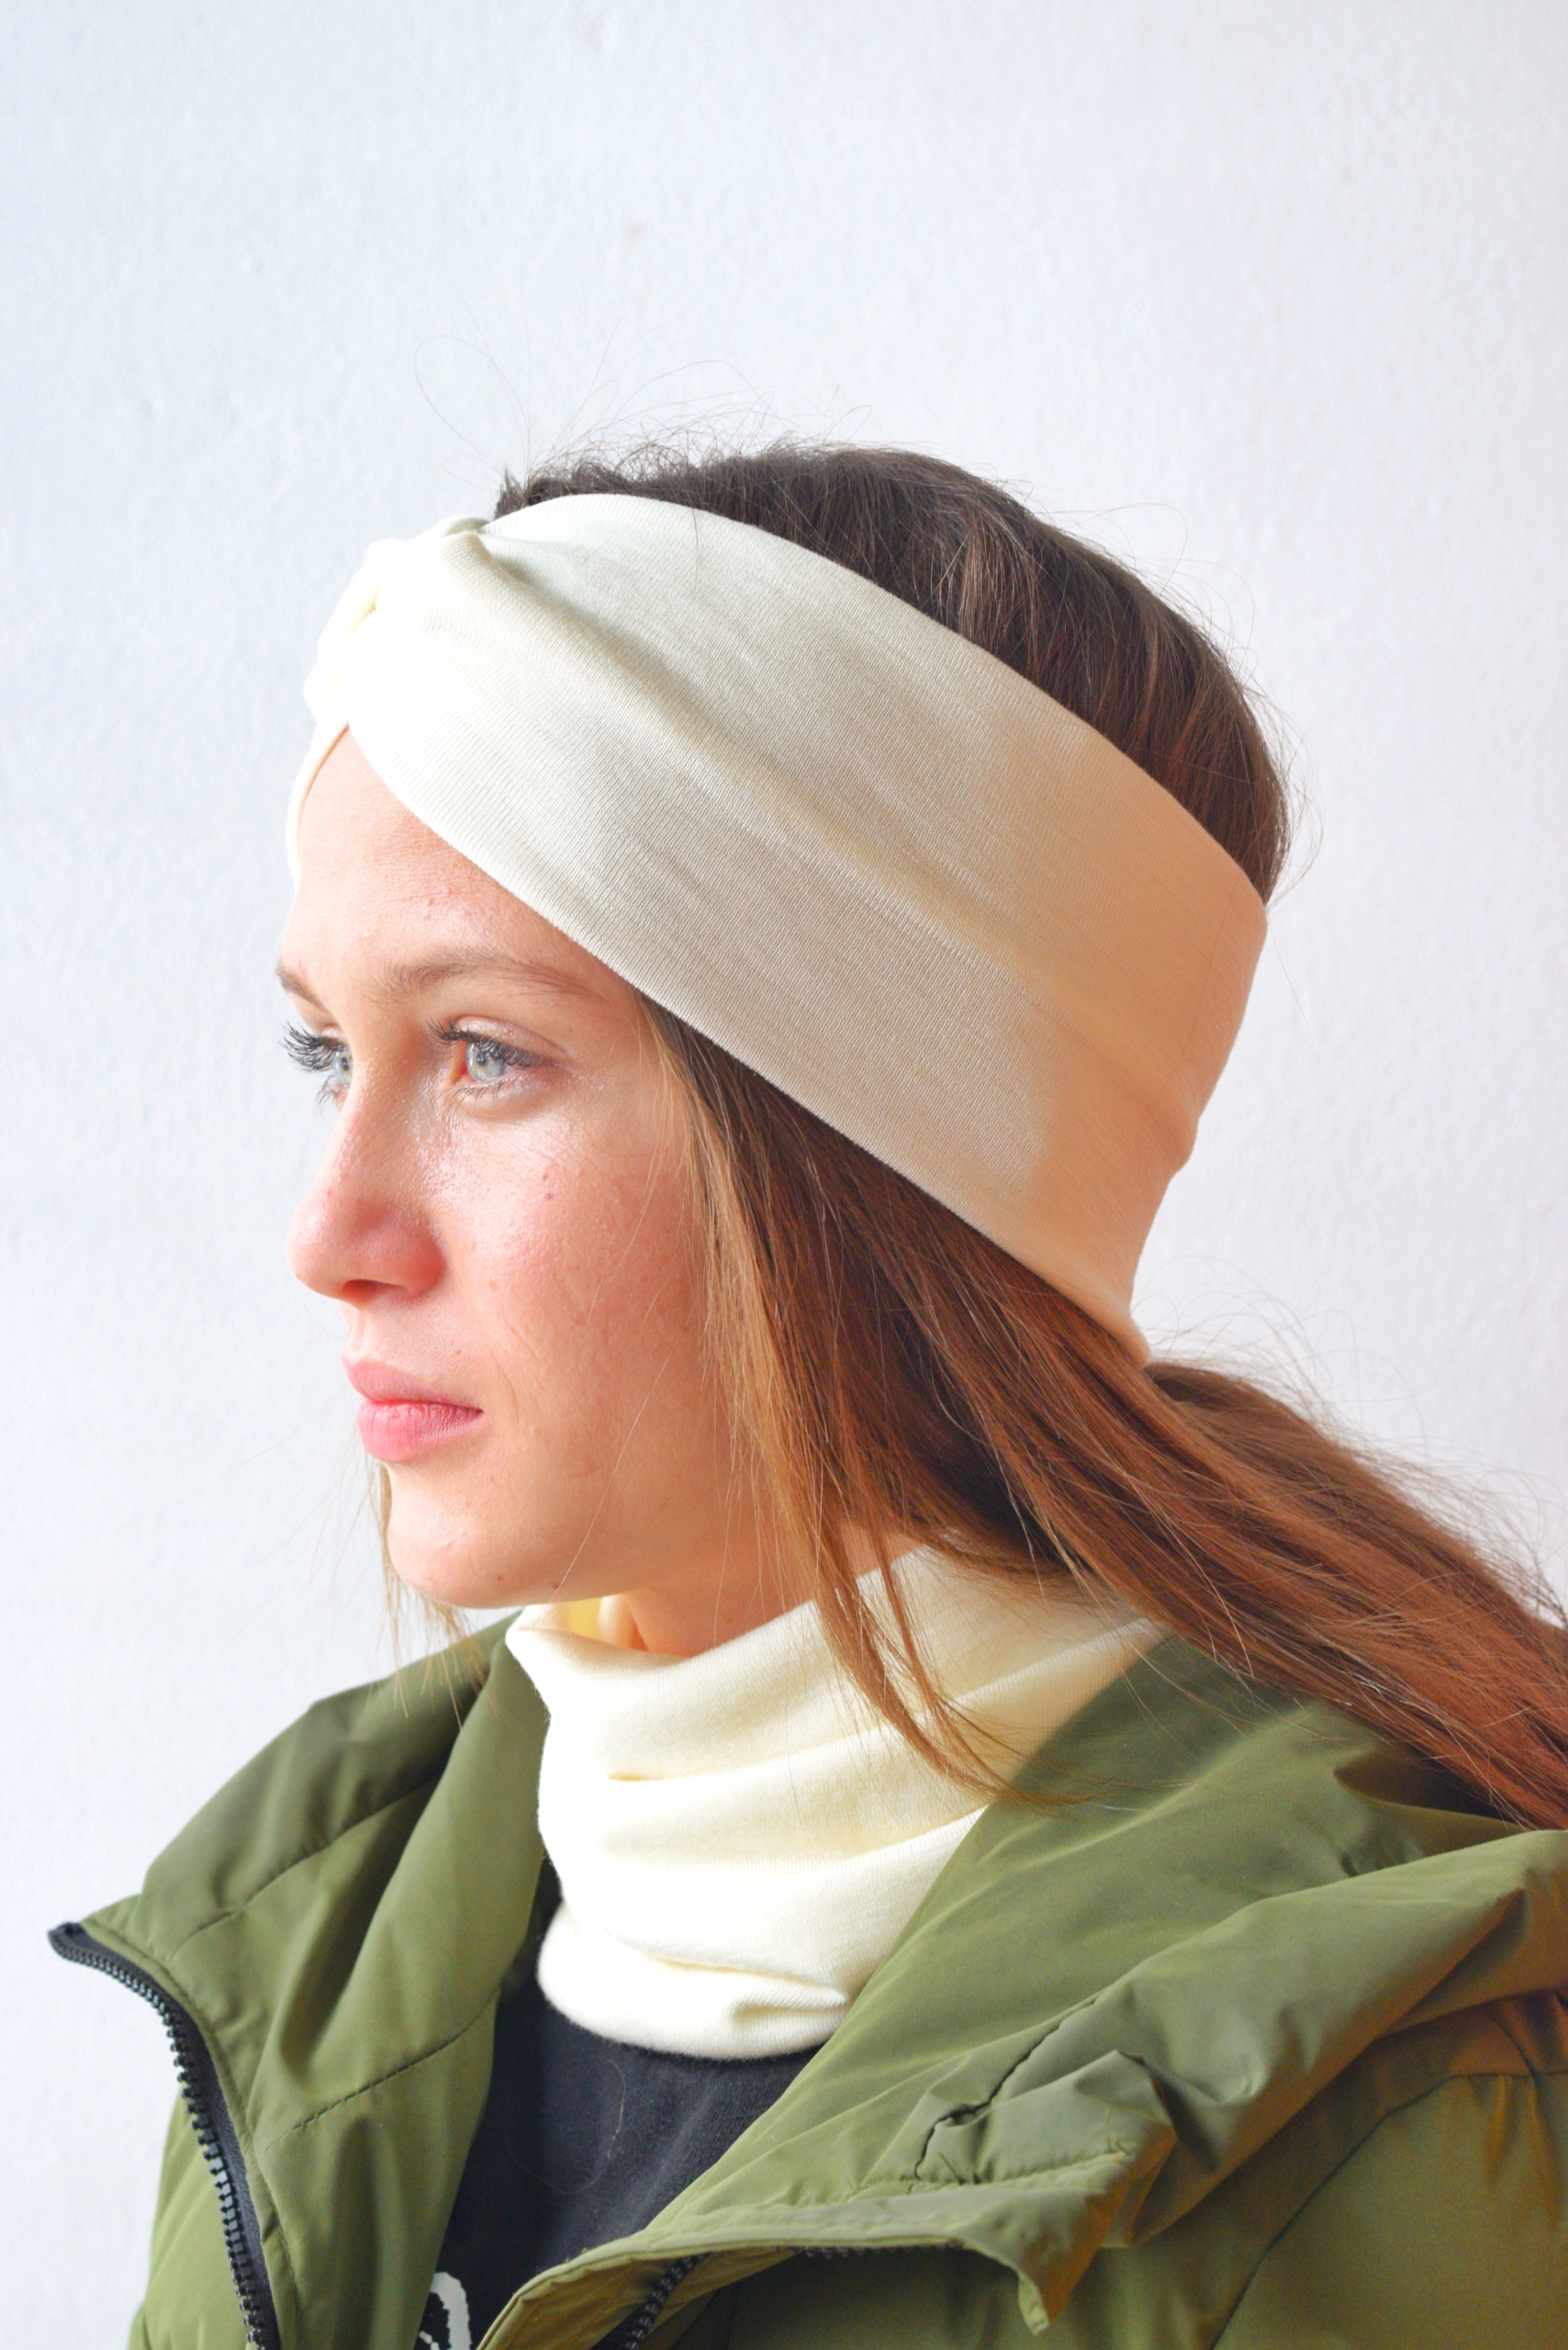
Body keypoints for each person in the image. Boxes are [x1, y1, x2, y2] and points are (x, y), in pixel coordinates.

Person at [53, 444, 1568, 2350]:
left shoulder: (1387, 2123)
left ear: (874, 1159)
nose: (328, 1233)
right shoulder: (312, 1935)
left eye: (486, 1053)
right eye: (325, 1049)